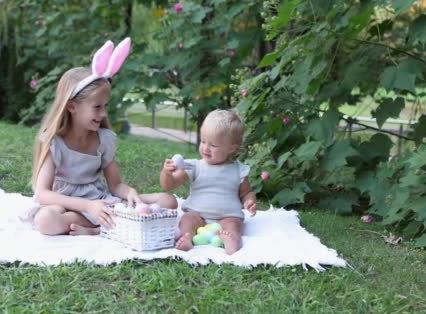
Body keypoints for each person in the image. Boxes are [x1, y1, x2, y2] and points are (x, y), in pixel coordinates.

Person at [31, 38, 177, 236]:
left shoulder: (104, 140)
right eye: (97, 107)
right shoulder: (55, 143)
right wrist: (88, 206)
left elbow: (115, 185)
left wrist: (129, 193)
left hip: (100, 201)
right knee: (45, 220)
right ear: (72, 107)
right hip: (66, 203)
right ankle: (98, 228)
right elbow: (42, 194)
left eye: (105, 106)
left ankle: (96, 227)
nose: (104, 114)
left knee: (168, 201)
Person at [160, 109, 257, 255]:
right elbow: (169, 185)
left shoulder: (239, 170)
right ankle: (186, 238)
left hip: (227, 216)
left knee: (234, 225)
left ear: (231, 147)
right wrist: (167, 173)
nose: (205, 148)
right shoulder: (195, 166)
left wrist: (249, 201)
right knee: (186, 220)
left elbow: (246, 192)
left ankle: (232, 241)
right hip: (197, 215)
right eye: (203, 141)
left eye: (214, 145)